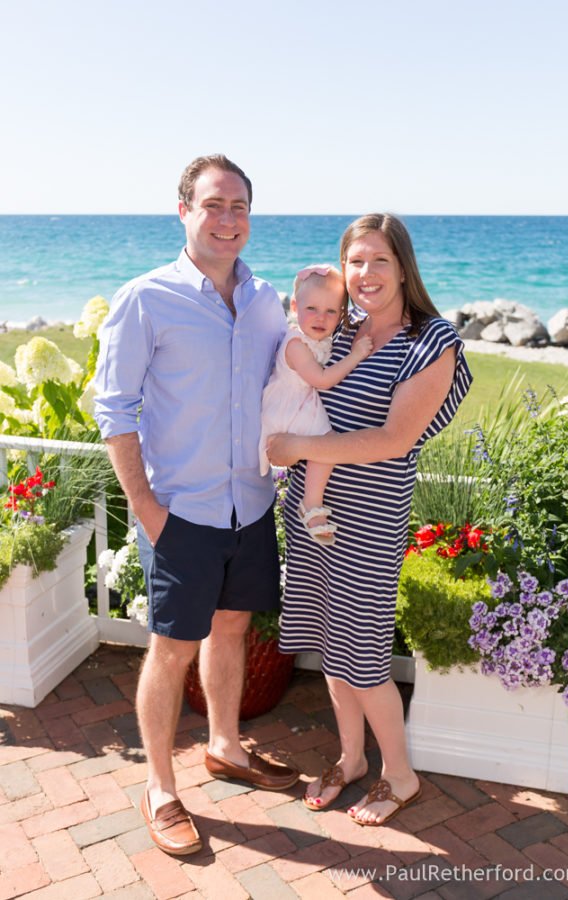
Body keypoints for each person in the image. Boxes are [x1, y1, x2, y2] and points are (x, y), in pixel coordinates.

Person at [94, 154, 299, 857]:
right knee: (172, 648)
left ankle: (224, 746)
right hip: (180, 514)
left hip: (250, 506)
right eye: (214, 204)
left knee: (234, 629)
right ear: (183, 211)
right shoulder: (146, 298)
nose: (228, 219)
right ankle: (159, 787)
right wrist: (147, 508)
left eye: (240, 206)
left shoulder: (270, 298)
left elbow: (296, 371)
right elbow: (114, 410)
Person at [267, 213, 473, 826]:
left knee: (364, 655)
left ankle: (400, 775)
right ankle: (352, 758)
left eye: (378, 260)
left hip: (370, 520)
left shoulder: (434, 342)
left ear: (403, 266)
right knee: (332, 646)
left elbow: (392, 439)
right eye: (354, 261)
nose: (365, 274)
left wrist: (297, 448)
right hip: (312, 510)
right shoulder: (340, 328)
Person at [258, 267, 373, 544]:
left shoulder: (315, 337)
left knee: (325, 446)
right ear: (295, 307)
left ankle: (310, 502)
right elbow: (321, 380)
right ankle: (311, 503)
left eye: (331, 311)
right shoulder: (296, 344)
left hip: (299, 403)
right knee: (328, 443)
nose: (321, 318)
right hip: (288, 409)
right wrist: (356, 356)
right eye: (312, 308)